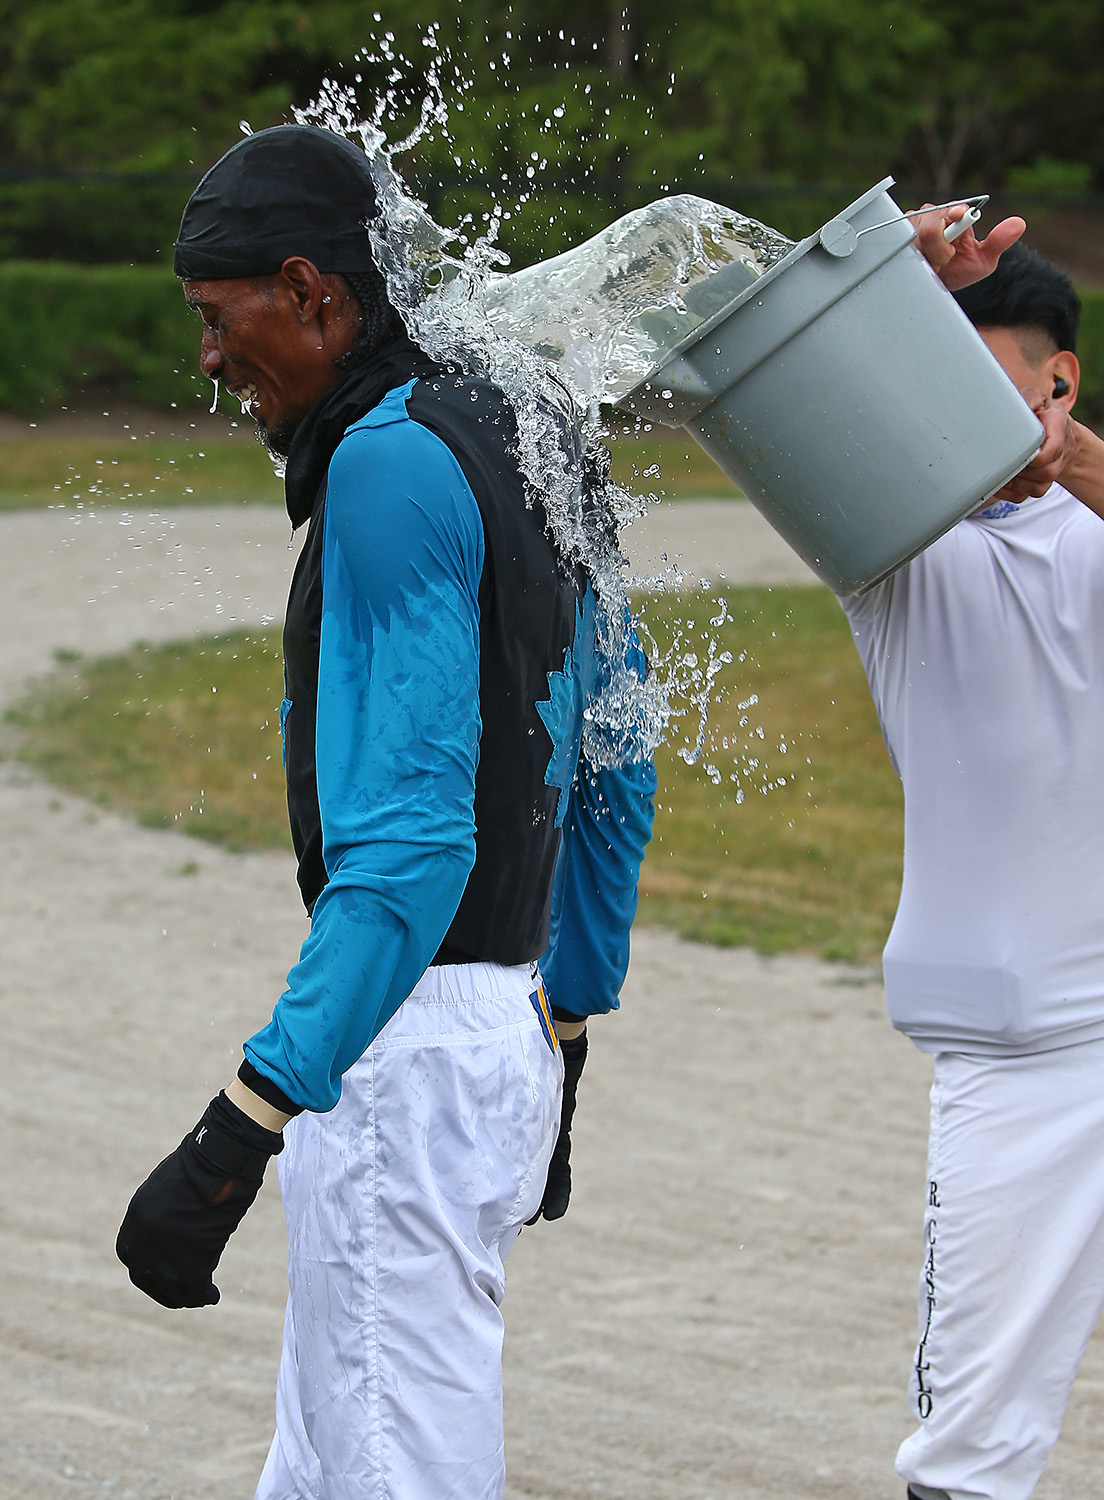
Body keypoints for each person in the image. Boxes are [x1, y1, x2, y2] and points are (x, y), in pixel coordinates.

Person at [114, 124, 656, 1500]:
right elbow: (618, 761)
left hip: (400, 1060)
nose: (208, 356)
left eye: (217, 317)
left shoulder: (388, 466)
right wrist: (569, 1040)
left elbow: (412, 849)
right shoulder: (518, 416)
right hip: (495, 1035)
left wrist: (240, 1126)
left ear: (309, 291)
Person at [838, 241, 1104, 1500]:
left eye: (984, 387)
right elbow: (785, 383)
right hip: (1023, 1069)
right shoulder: (899, 553)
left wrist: (1080, 460)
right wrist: (892, 281)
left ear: (1060, 384)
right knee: (969, 1460)